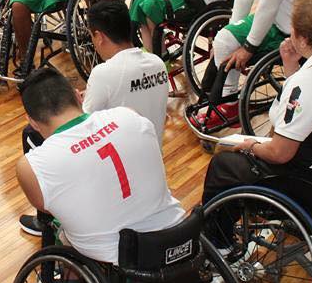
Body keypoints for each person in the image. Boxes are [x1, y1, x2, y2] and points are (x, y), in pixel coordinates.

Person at [201, 0, 312, 212]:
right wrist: (291, 66)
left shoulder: (310, 81)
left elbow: (279, 153)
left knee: (224, 164)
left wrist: (251, 146)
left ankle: (218, 240)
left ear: (303, 39)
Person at [18, 1, 171, 236]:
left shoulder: (104, 73)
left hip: (112, 162)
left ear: (99, 36)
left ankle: (47, 221)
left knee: (32, 132)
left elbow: (75, 123)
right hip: (150, 155)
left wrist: (78, 100)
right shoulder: (157, 62)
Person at [15, 67, 185, 263]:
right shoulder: (129, 114)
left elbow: (48, 210)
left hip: (118, 261)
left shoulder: (31, 166)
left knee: (64, 229)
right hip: (176, 234)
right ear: (79, 96)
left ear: (33, 123)